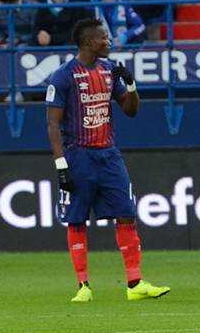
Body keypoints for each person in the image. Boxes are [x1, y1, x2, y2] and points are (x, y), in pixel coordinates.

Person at [45, 19, 170, 303]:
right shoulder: (63, 76)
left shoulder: (109, 71)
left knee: (126, 211)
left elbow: (131, 110)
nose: (110, 41)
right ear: (90, 42)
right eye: (105, 37)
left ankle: (135, 282)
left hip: (109, 154)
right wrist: (61, 165)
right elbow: (53, 124)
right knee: (77, 218)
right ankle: (83, 286)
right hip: (78, 154)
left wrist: (132, 83)